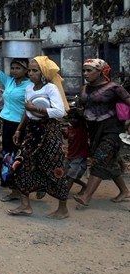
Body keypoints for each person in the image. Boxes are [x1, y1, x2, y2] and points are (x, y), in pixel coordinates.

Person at [7, 56, 70, 219]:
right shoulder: (29, 88)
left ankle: (63, 209)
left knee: (55, 167)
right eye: (30, 70)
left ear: (43, 73)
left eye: (35, 70)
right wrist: (19, 130)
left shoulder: (50, 89)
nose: (30, 73)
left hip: (49, 132)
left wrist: (35, 108)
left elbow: (59, 112)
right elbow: (27, 111)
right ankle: (25, 205)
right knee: (20, 164)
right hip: (31, 131)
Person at [74, 58, 130, 207]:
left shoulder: (114, 88)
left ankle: (86, 196)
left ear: (100, 71)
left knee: (100, 159)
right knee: (108, 162)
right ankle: (125, 191)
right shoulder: (84, 89)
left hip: (112, 130)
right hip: (93, 130)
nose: (85, 73)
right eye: (84, 70)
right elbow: (83, 106)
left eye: (89, 70)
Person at [0, 39, 34, 201]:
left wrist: (19, 129)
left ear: (26, 70)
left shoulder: (30, 86)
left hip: (20, 125)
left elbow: (28, 109)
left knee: (17, 156)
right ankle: (14, 190)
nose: (14, 71)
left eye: (18, 68)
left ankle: (20, 191)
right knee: (8, 156)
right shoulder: (9, 81)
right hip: (7, 124)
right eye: (12, 68)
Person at [62, 108, 89, 195]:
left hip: (79, 156)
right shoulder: (69, 129)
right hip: (71, 155)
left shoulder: (82, 128)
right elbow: (66, 136)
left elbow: (83, 117)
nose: (73, 120)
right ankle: (85, 186)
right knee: (68, 175)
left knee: (71, 176)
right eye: (71, 118)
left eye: (75, 118)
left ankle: (64, 193)